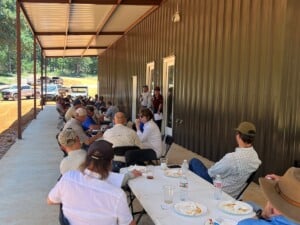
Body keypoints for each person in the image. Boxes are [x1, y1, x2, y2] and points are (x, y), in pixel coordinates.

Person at [47, 140, 138, 225]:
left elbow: (50, 200)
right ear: (110, 162)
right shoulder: (117, 195)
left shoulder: (68, 178)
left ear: (87, 159)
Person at [189, 121, 261, 198]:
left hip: (218, 189)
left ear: (238, 136)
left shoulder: (232, 158)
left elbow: (211, 173)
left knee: (194, 162)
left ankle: (195, 190)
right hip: (235, 193)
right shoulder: (255, 158)